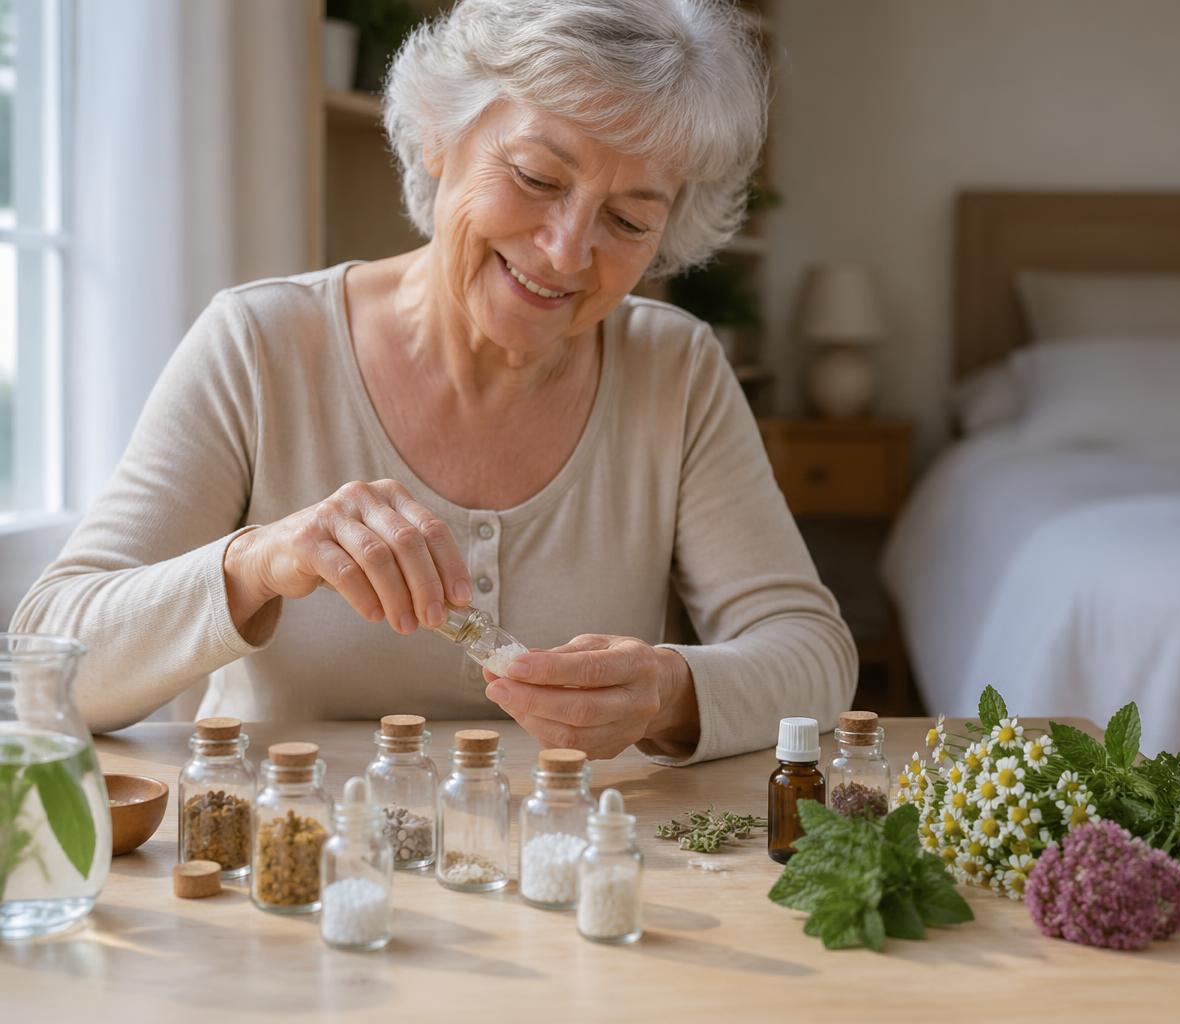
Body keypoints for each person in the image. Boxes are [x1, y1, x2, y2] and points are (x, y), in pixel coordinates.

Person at [12, 0, 856, 764]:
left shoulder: (678, 371)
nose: (567, 251)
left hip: (575, 876)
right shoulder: (260, 346)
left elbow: (810, 654)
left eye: (628, 219)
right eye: (535, 177)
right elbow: (52, 660)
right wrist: (260, 561)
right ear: (438, 137)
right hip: (292, 869)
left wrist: (670, 692)